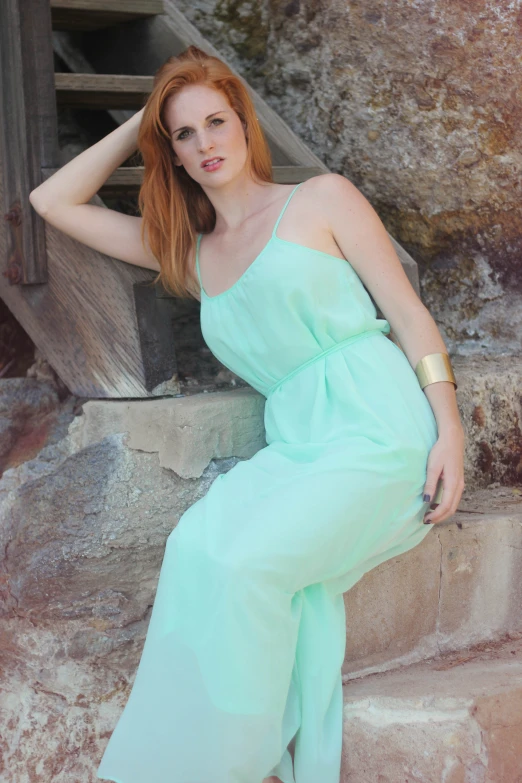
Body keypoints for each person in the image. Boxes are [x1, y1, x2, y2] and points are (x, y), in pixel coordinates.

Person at [30, 45, 465, 783]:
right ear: (168, 151)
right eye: (185, 134)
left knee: (246, 562)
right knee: (196, 547)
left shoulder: (322, 198)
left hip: (382, 429)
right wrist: (147, 114)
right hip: (297, 447)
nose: (206, 143)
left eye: (216, 121)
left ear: (244, 121)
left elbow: (409, 313)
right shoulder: (191, 255)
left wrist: (449, 427)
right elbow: (51, 202)